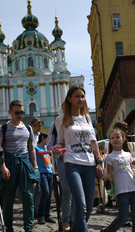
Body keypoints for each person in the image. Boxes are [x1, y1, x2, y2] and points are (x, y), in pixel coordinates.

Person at [53, 85, 104, 232]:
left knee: (88, 206)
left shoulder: (87, 118)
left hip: (89, 164)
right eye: (77, 96)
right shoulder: (61, 120)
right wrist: (57, 147)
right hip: (72, 164)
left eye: (82, 96)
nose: (81, 99)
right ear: (69, 99)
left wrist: (99, 162)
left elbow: (93, 142)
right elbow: (61, 141)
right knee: (80, 204)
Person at [0, 100, 39, 232]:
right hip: (9, 163)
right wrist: (3, 167)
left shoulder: (28, 128)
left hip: (25, 163)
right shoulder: (3, 128)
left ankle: (28, 228)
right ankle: (8, 226)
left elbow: (31, 147)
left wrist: (35, 166)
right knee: (9, 198)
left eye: (22, 112)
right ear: (10, 112)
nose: (20, 115)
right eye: (17, 112)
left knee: (28, 196)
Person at [101, 128, 135, 232]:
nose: (115, 139)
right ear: (110, 141)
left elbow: (132, 170)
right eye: (112, 138)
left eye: (118, 137)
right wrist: (105, 176)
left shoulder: (128, 155)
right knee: (123, 217)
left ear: (123, 139)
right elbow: (110, 173)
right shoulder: (109, 157)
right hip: (121, 190)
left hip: (134, 187)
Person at [48, 118, 74, 231]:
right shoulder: (56, 123)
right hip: (63, 160)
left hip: (78, 160)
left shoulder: (79, 120)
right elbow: (49, 146)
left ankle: (75, 218)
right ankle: (65, 219)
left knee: (77, 189)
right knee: (67, 189)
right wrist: (58, 154)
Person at [35, 132, 56, 224]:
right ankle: (41, 215)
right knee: (46, 193)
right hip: (41, 173)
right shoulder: (36, 148)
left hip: (50, 173)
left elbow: (49, 161)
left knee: (49, 195)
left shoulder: (46, 149)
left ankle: (47, 215)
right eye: (48, 138)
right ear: (43, 138)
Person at [30, 117, 44, 215]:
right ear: (33, 126)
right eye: (38, 126)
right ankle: (31, 209)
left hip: (41, 165)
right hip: (31, 164)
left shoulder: (40, 136)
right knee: (33, 188)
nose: (39, 128)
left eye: (40, 126)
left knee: (39, 188)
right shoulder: (29, 135)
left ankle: (36, 209)